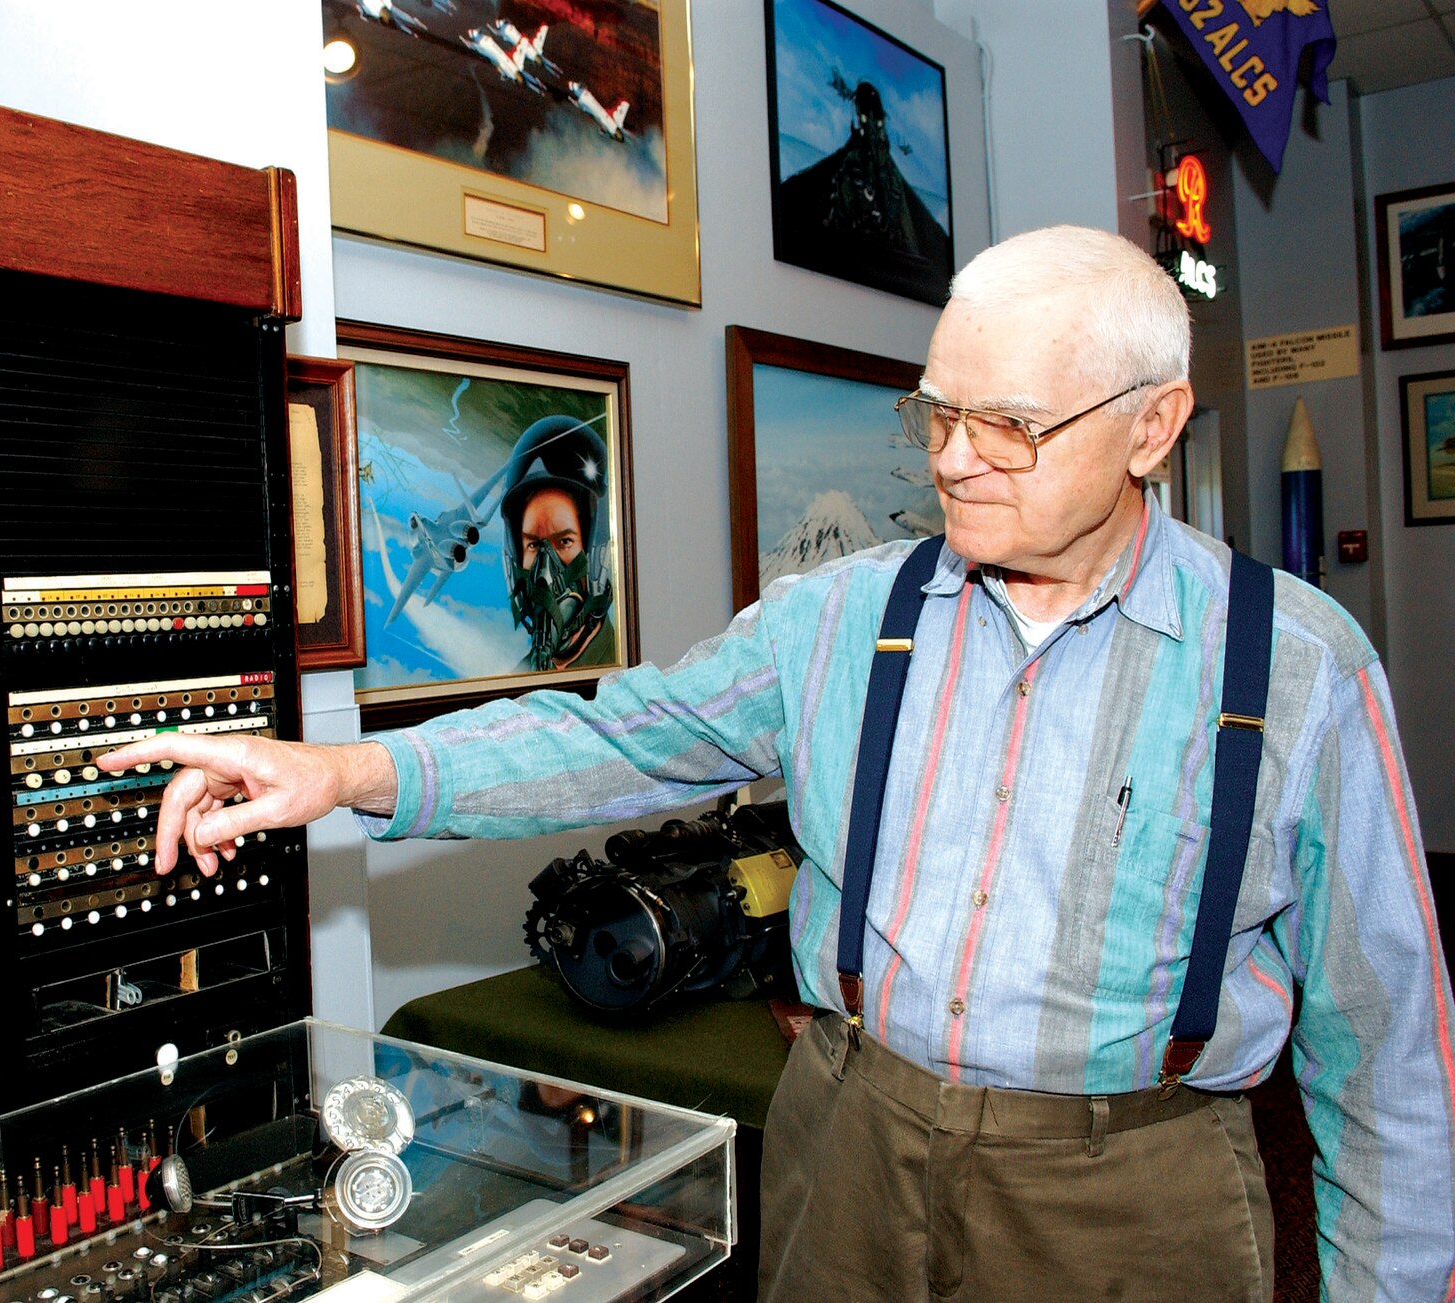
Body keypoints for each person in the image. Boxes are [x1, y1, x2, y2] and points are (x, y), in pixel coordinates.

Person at [97, 226, 1455, 1301]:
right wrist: (340, 773)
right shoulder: (843, 617)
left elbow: (1388, 1034)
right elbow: (617, 736)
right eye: (935, 415)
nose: (956, 463)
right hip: (851, 1146)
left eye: (1012, 426)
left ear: (1154, 426)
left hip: (1133, 1187)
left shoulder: (1297, 668)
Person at [498, 414, 617, 670]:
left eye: (564, 541)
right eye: (532, 545)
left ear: (597, 553)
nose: (544, 573)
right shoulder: (518, 679)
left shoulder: (620, 673)